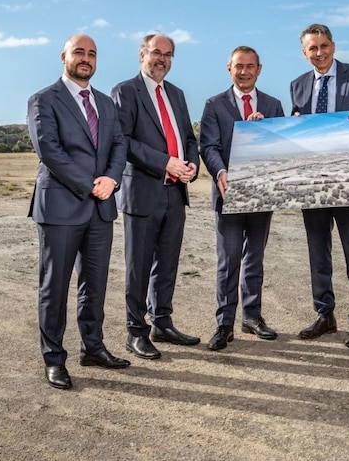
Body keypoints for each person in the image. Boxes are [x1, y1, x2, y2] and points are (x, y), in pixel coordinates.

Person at [27, 34, 130, 390]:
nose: (85, 58)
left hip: (101, 207)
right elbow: (50, 151)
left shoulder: (105, 102)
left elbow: (119, 144)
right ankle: (53, 357)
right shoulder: (44, 100)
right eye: (79, 52)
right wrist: (90, 184)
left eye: (91, 54)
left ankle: (93, 347)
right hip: (60, 206)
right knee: (54, 286)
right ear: (64, 57)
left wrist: (112, 180)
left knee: (95, 284)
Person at [290, 23, 349, 348]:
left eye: (324, 46)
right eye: (312, 49)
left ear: (333, 45)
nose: (319, 53)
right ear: (304, 53)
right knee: (318, 253)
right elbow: (300, 128)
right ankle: (324, 314)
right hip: (314, 184)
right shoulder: (298, 85)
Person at [111, 33, 201, 358]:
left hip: (176, 192)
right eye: (155, 52)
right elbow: (123, 141)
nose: (161, 59)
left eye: (167, 54)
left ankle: (162, 322)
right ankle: (136, 332)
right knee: (139, 266)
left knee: (168, 263)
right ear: (142, 55)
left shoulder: (176, 93)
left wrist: (192, 163)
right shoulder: (125, 91)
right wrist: (166, 162)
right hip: (143, 192)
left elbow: (189, 138)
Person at [199, 46, 285, 351]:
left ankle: (252, 316)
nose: (245, 71)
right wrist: (220, 172)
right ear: (229, 69)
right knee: (229, 260)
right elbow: (208, 146)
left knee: (255, 258)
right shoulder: (214, 105)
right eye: (239, 66)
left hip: (262, 196)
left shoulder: (274, 105)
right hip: (228, 195)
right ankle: (224, 323)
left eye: (250, 66)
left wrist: (265, 132)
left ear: (259, 69)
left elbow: (282, 147)